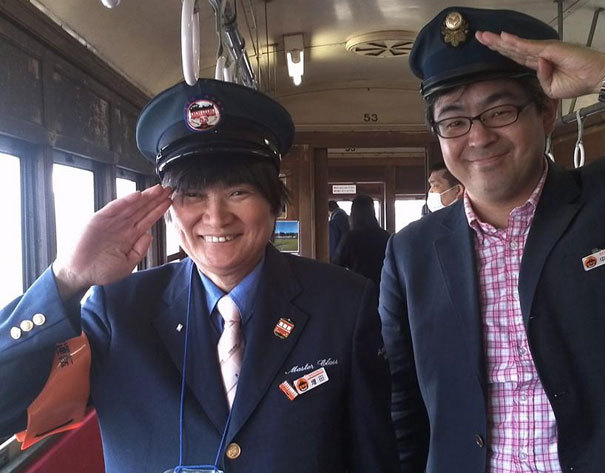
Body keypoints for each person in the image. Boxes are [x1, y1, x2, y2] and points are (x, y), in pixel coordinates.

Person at [0, 79, 399, 473]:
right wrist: (66, 278)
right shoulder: (116, 310)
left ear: (274, 203)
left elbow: (374, 455)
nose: (216, 217)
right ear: (167, 211)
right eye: (192, 195)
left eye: (238, 192)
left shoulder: (343, 303)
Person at [379, 6, 605, 473]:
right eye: (454, 121)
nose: (478, 137)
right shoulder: (411, 252)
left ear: (547, 112)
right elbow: (403, 400)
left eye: (500, 111)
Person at [333, 194, 390, 287]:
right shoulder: (385, 236)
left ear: (353, 214)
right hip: (383, 287)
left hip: (358, 288)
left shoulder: (350, 238)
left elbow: (335, 266)